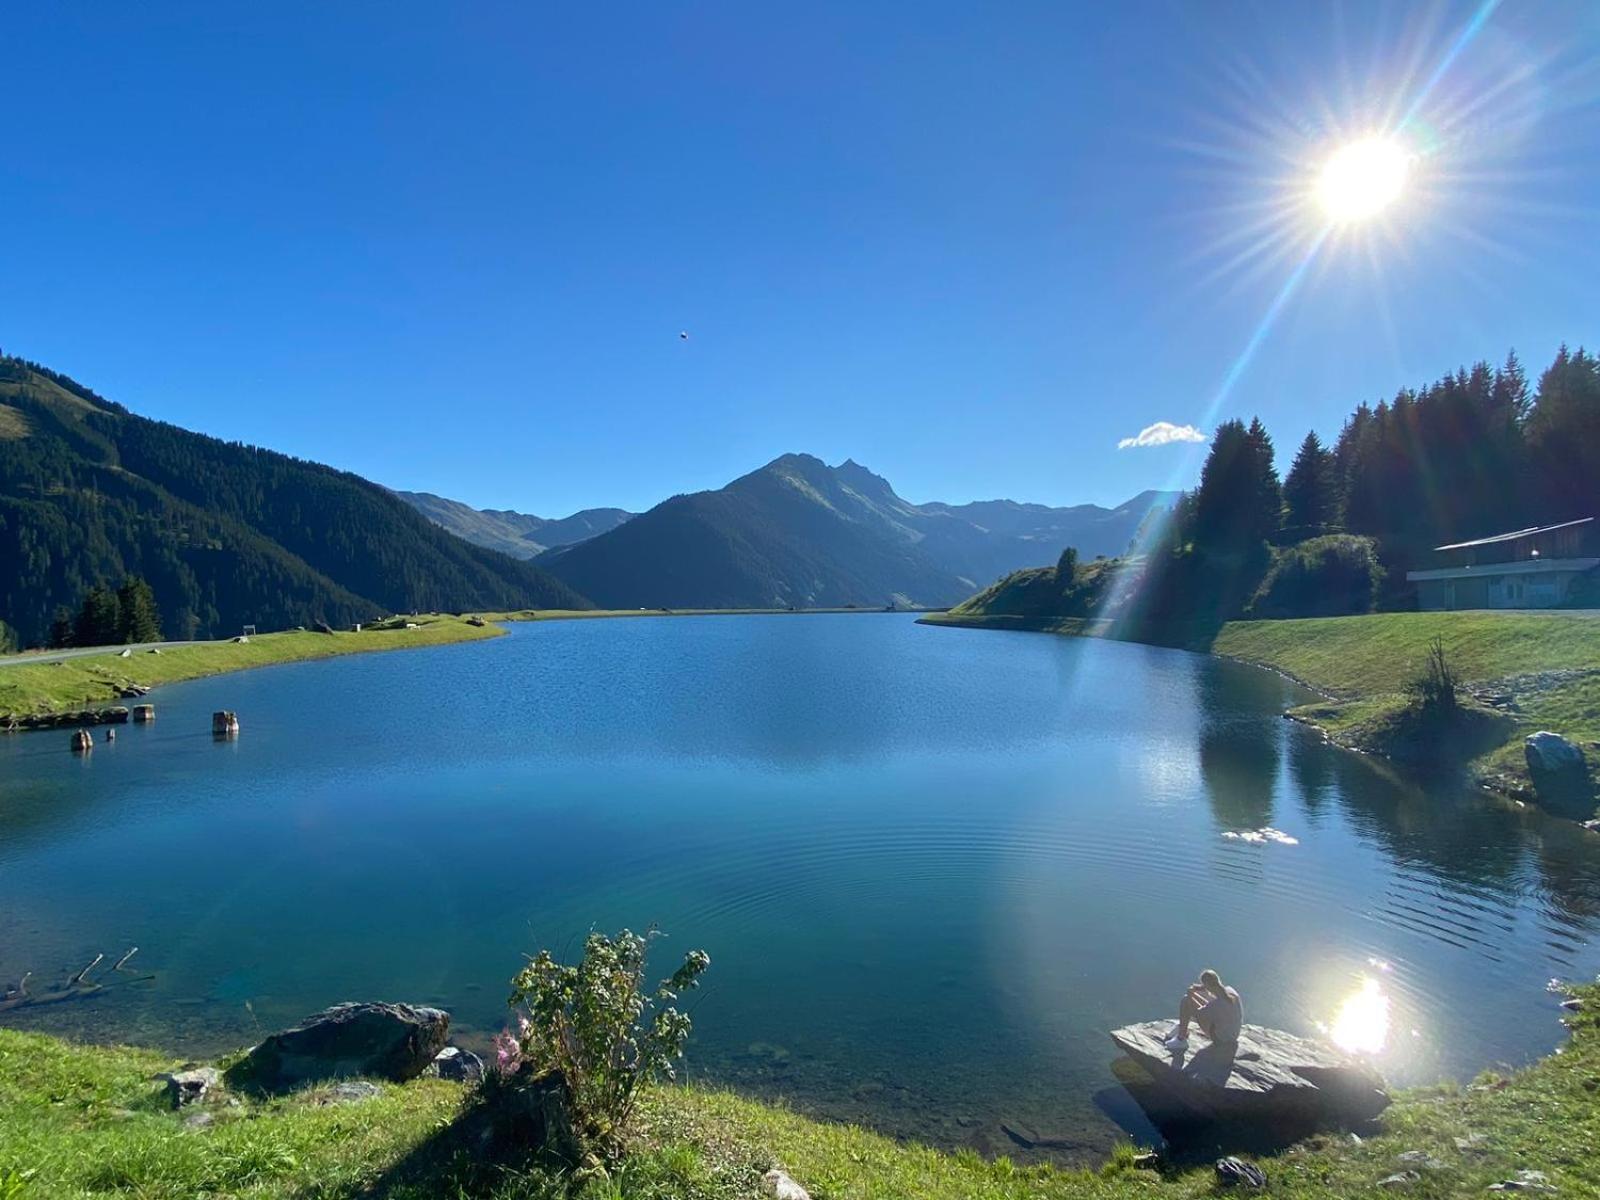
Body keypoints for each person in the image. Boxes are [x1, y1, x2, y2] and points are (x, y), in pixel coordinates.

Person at [1163, 968, 1241, 1051]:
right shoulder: (1230, 991)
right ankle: (1182, 1026)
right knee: (1193, 999)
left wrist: (1190, 996)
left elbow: (1198, 1013)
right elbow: (1210, 1004)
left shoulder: (1217, 1004)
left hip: (1222, 1039)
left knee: (1186, 1001)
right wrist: (1199, 990)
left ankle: (1181, 1038)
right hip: (1233, 1034)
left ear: (1208, 985)